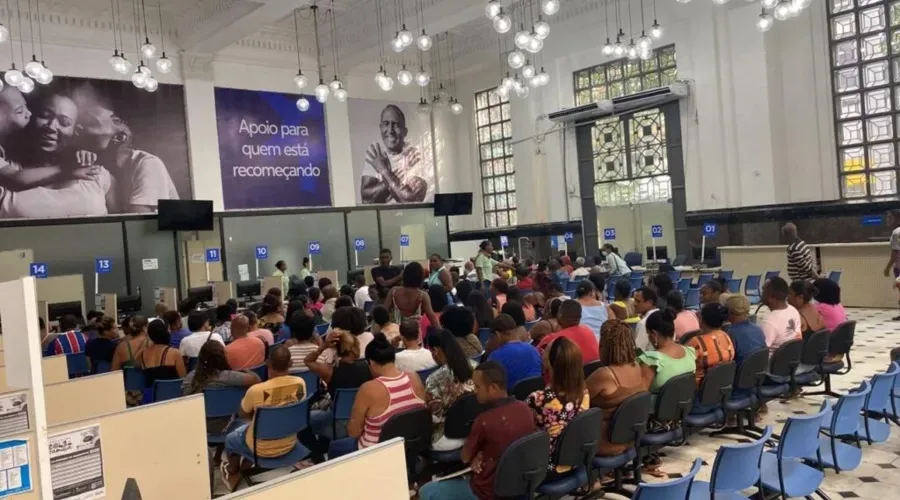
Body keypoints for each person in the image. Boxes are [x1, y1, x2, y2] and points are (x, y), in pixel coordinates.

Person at [417, 361, 536, 500]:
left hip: (486, 492)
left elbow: (465, 457)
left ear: (492, 388)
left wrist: (476, 455)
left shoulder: (484, 420)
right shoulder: (526, 409)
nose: (474, 390)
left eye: (478, 386)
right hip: (519, 484)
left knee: (426, 491)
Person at [326, 333, 428, 458]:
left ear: (372, 363)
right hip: (409, 447)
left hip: (376, 453)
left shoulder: (368, 389)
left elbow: (353, 432)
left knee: (334, 448)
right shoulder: (414, 377)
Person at [221, 345, 306, 491]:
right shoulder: (300, 383)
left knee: (231, 438)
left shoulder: (256, 390)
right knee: (252, 429)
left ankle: (233, 471)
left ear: (268, 363)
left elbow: (242, 414)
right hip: (290, 442)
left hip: (260, 448)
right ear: (290, 364)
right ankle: (245, 467)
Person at [526, 337, 590, 477]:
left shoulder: (538, 399)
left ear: (550, 363)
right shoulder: (584, 392)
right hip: (576, 460)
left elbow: (523, 436)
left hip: (546, 468)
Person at [587, 320, 649, 456]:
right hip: (631, 438)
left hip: (604, 443)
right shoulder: (637, 367)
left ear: (603, 346)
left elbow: (576, 400)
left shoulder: (604, 375)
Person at [305, 330, 373, 441]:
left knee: (307, 417)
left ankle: (317, 453)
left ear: (336, 349)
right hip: (363, 420)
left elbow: (308, 361)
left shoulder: (329, 371)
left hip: (339, 424)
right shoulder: (369, 367)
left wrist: (323, 346)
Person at [182, 341, 260, 434]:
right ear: (223, 358)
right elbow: (257, 380)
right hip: (226, 426)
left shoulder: (190, 378)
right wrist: (247, 371)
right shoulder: (229, 376)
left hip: (196, 427)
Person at [359, 104, 430, 204]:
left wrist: (384, 171)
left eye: (395, 124)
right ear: (380, 128)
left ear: (405, 132)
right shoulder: (376, 155)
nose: (390, 130)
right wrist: (396, 181)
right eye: (386, 124)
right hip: (382, 218)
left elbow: (408, 200)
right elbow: (366, 200)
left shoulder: (415, 156)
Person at [424, 329, 477, 451]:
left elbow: (434, 418)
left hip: (446, 437)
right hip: (473, 429)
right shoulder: (475, 366)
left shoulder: (434, 379)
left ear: (435, 351)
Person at [638, 310, 696, 392]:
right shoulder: (690, 352)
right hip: (684, 404)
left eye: (648, 333)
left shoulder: (651, 360)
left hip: (656, 404)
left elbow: (640, 394)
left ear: (654, 334)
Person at [486, 314, 542, 391]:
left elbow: (489, 388)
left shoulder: (495, 357)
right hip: (537, 398)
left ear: (497, 335)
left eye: (491, 337)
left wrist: (488, 349)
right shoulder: (534, 350)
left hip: (511, 400)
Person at [685, 303, 735, 385]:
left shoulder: (697, 342)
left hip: (697, 390)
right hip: (720, 388)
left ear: (701, 319)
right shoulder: (726, 336)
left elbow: (684, 367)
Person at [384, 261, 440, 328]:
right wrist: (442, 334)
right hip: (414, 335)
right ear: (420, 277)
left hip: (394, 333)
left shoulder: (394, 291)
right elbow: (432, 319)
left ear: (405, 275)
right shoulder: (422, 295)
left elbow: (383, 312)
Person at [140, 319, 187, 389]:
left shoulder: (142, 355)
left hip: (151, 397)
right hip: (173, 394)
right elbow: (183, 378)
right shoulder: (175, 353)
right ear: (166, 333)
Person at [724, 294, 767, 369]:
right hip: (758, 373)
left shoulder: (730, 334)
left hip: (739, 374)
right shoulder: (757, 328)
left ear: (729, 312)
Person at [759, 277, 801, 353]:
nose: (761, 293)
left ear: (771, 298)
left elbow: (760, 352)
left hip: (772, 362)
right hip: (791, 358)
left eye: (763, 291)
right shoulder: (793, 310)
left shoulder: (769, 322)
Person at [632, 287, 659, 351]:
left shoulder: (644, 323)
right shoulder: (665, 317)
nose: (634, 304)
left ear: (649, 302)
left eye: (638, 301)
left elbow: (638, 351)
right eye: (634, 300)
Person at [886, 209, 900, 320]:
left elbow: (894, 254)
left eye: (890, 217)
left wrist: (887, 268)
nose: (888, 220)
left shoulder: (896, 233)